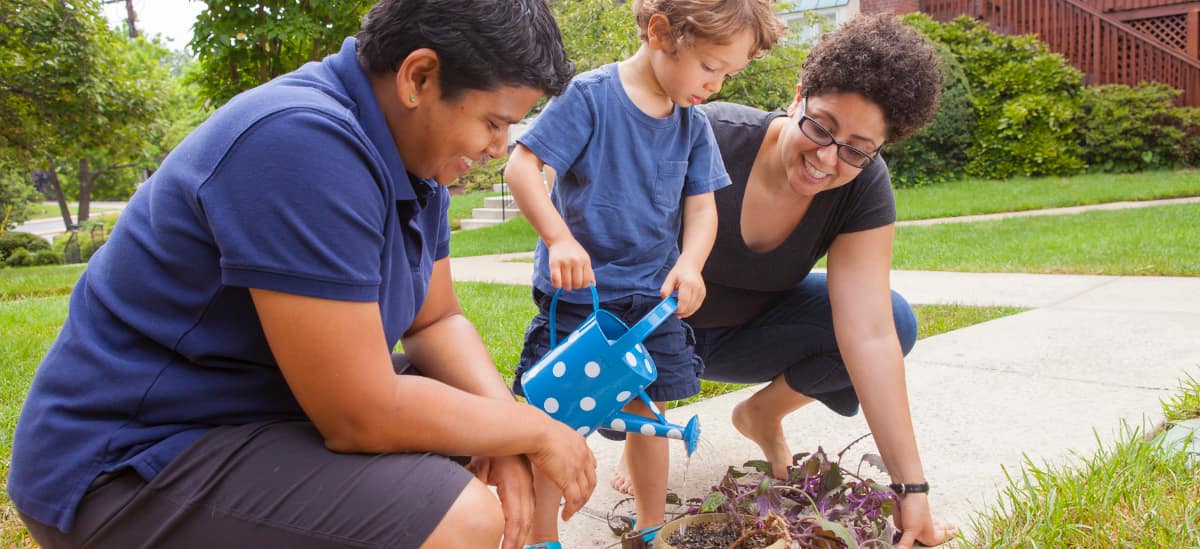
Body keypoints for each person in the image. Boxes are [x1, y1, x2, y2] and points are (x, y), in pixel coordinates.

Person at [7, 1, 597, 548]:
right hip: (126, 464)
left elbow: (435, 318)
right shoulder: (300, 142)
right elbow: (360, 414)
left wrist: (514, 434)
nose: (501, 147)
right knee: (462, 517)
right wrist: (529, 431)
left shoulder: (417, 157)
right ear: (418, 77)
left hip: (250, 416)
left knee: (469, 421)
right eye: (494, 123)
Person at [608, 14, 959, 549]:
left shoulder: (862, 189)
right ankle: (639, 426)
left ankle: (760, 414)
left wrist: (912, 489)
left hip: (746, 337)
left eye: (857, 149)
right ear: (797, 96)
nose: (826, 158)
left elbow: (868, 334)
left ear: (881, 148)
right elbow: (615, 265)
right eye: (820, 127)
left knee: (895, 319)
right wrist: (641, 426)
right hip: (651, 331)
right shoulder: (706, 137)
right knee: (612, 406)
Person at [503, 0, 785, 546]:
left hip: (648, 303)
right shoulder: (590, 96)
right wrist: (558, 237)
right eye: (710, 67)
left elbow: (703, 208)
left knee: (649, 419)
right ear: (661, 32)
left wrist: (691, 264)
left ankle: (650, 530)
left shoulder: (692, 124)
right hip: (580, 301)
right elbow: (522, 165)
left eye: (728, 74)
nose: (717, 84)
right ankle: (541, 536)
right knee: (555, 423)